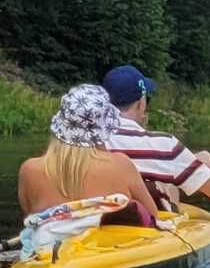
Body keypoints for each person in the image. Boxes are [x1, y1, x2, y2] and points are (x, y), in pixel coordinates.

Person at [14, 84, 161, 235]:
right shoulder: (120, 165)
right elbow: (154, 219)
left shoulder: (29, 169)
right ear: (103, 127)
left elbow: (30, 220)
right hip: (108, 250)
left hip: (49, 251)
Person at [100, 65, 210, 208]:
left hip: (96, 222)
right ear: (141, 102)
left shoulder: (83, 141)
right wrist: (206, 162)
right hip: (145, 227)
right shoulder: (165, 145)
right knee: (170, 187)